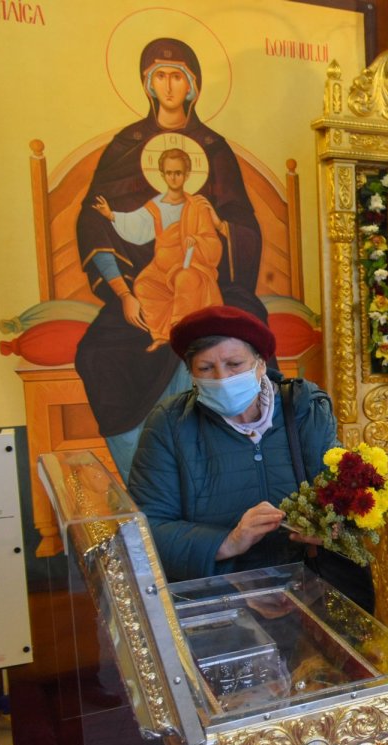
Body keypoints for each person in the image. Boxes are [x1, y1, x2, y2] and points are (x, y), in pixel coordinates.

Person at [75, 37, 264, 481]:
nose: (168, 85)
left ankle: (233, 465)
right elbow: (102, 221)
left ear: (192, 85)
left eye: (177, 76)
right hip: (147, 281)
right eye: (159, 75)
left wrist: (219, 227)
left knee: (245, 332)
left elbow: (245, 224)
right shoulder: (127, 146)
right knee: (98, 351)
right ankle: (142, 475)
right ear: (147, 84)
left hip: (209, 279)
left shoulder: (213, 148)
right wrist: (123, 292)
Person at [128, 305, 373, 611]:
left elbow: (349, 497)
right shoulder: (169, 424)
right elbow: (147, 526)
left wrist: (334, 527)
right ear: (191, 373)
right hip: (220, 603)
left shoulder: (304, 408)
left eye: (234, 364)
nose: (222, 378)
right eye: (206, 368)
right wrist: (228, 541)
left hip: (313, 595)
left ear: (260, 364)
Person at [91, 148, 224, 351]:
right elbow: (136, 223)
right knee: (143, 285)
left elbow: (213, 244)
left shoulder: (197, 206)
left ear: (187, 174)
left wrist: (196, 241)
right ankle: (162, 335)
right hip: (161, 269)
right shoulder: (155, 206)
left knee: (185, 279)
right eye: (169, 173)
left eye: (178, 173)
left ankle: (181, 332)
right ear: (162, 175)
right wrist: (111, 216)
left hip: (192, 266)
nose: (173, 177)